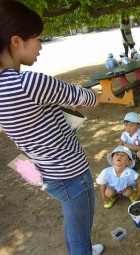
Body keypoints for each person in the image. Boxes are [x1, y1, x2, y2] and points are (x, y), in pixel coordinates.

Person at [0, 1, 104, 254]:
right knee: (80, 235)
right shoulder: (29, 83)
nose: (41, 46)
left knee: (74, 225)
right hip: (70, 173)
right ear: (16, 41)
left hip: (44, 172)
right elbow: (89, 98)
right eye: (37, 39)